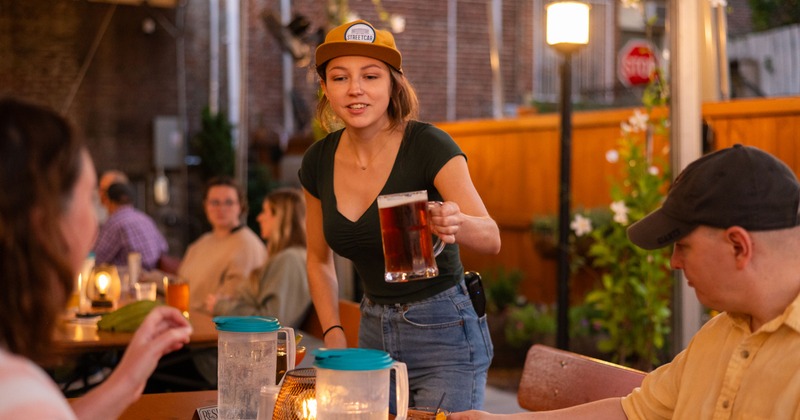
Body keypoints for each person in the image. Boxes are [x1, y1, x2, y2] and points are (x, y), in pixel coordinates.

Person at [452, 144, 800, 420]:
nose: (674, 263)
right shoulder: (719, 334)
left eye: (683, 246)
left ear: (738, 246)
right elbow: (632, 412)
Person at [299, 20, 501, 412]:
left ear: (394, 84)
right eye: (340, 77)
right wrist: (334, 332)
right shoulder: (317, 161)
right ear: (325, 88)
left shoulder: (428, 145)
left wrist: (456, 222)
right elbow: (318, 259)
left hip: (444, 332)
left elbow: (491, 237)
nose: (355, 89)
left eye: (370, 76)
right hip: (372, 331)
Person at [0, 98, 192, 419]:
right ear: (44, 223)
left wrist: (128, 379)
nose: (95, 220)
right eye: (90, 199)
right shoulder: (21, 395)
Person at [212, 187, 311, 329]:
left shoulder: (290, 260)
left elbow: (273, 321)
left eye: (265, 211)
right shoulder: (286, 257)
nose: (259, 218)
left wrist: (221, 306)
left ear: (281, 218)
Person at [178, 175, 266, 315]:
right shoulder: (201, 243)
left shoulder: (247, 246)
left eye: (229, 202)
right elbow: (180, 283)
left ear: (240, 206)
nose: (221, 208)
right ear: (205, 206)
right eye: (214, 202)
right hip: (185, 316)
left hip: (213, 322)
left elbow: (230, 301)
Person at [93, 181, 169, 270]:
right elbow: (164, 248)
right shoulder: (145, 218)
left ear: (109, 202)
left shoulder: (114, 223)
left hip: (133, 275)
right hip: (155, 274)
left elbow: (98, 258)